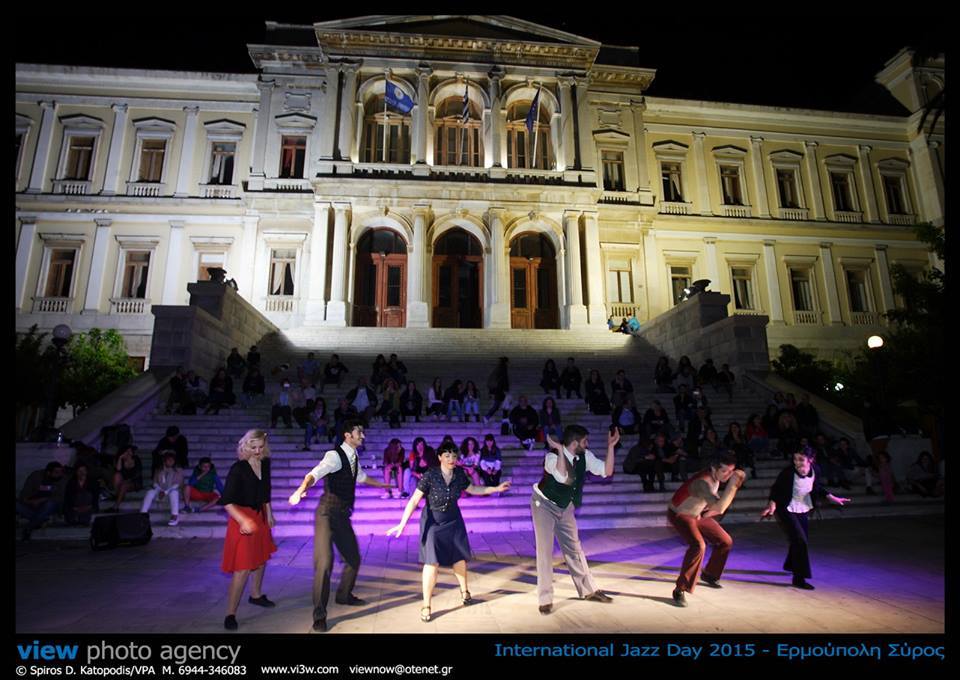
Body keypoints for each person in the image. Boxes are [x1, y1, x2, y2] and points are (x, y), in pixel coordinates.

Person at [287, 420, 394, 632]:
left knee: (353, 559)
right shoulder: (334, 456)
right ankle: (319, 615)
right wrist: (300, 490)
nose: (362, 436)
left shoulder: (354, 457)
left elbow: (361, 477)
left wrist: (382, 484)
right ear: (347, 435)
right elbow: (314, 474)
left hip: (342, 516)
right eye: (359, 432)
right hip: (327, 513)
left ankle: (344, 595)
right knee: (324, 563)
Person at [386, 441, 511, 622]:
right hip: (433, 522)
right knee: (431, 563)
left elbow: (473, 488)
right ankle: (426, 604)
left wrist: (495, 488)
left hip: (453, 520)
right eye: (447, 456)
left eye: (454, 456)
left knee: (458, 558)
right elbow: (414, 500)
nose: (451, 459)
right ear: (440, 457)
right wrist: (402, 523)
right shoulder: (430, 475)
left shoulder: (459, 474)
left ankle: (465, 592)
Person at [533, 425, 620, 614]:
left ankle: (588, 590)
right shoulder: (552, 457)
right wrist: (558, 449)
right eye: (584, 441)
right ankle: (545, 598)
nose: (587, 444)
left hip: (566, 506)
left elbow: (607, 470)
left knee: (574, 549)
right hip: (544, 505)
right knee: (545, 551)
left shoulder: (584, 456)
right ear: (574, 443)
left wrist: (611, 447)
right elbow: (563, 477)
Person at [760, 447, 850, 589]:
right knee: (800, 541)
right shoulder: (788, 473)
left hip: (803, 508)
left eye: (801, 459)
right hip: (786, 508)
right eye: (795, 459)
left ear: (811, 460)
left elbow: (817, 486)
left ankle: (790, 564)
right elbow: (776, 489)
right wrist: (772, 504)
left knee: (799, 539)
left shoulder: (816, 470)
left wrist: (832, 497)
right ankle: (799, 578)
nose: (797, 462)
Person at [667, 452, 746, 607]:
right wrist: (734, 484)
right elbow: (720, 507)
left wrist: (707, 513)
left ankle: (710, 574)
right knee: (698, 545)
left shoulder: (715, 478)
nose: (728, 475)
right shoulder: (703, 482)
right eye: (724, 471)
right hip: (680, 514)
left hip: (697, 513)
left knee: (725, 541)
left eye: (731, 471)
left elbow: (713, 507)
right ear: (713, 468)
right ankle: (680, 589)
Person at [220, 429, 277, 631]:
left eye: (261, 447)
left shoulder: (265, 463)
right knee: (243, 568)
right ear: (245, 446)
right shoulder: (239, 468)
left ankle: (256, 595)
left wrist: (268, 512)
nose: (257, 451)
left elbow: (266, 490)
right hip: (241, 517)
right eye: (253, 447)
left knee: (261, 557)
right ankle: (230, 613)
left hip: (259, 515)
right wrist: (243, 520)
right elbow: (226, 501)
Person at [16, 462, 67, 540]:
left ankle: (29, 528)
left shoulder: (62, 479)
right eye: (56, 472)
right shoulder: (36, 476)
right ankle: (40, 520)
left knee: (50, 504)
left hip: (48, 506)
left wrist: (41, 500)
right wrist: (31, 502)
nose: (59, 474)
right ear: (48, 473)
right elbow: (24, 494)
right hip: (32, 504)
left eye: (61, 472)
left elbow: (60, 498)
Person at [140, 450, 183, 526]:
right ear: (164, 460)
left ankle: (175, 515)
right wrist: (160, 490)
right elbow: (155, 483)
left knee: (174, 492)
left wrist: (165, 492)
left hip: (170, 492)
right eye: (169, 460)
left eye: (172, 460)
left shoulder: (178, 470)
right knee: (150, 492)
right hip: (160, 491)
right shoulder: (158, 470)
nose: (171, 462)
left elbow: (177, 484)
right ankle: (143, 514)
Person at [108, 444, 143, 511]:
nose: (129, 453)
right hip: (123, 481)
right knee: (116, 475)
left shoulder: (136, 459)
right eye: (127, 451)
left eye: (130, 451)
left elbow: (138, 473)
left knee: (124, 485)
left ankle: (116, 506)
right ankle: (120, 495)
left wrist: (128, 480)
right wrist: (120, 458)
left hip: (134, 482)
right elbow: (118, 470)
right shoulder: (121, 460)